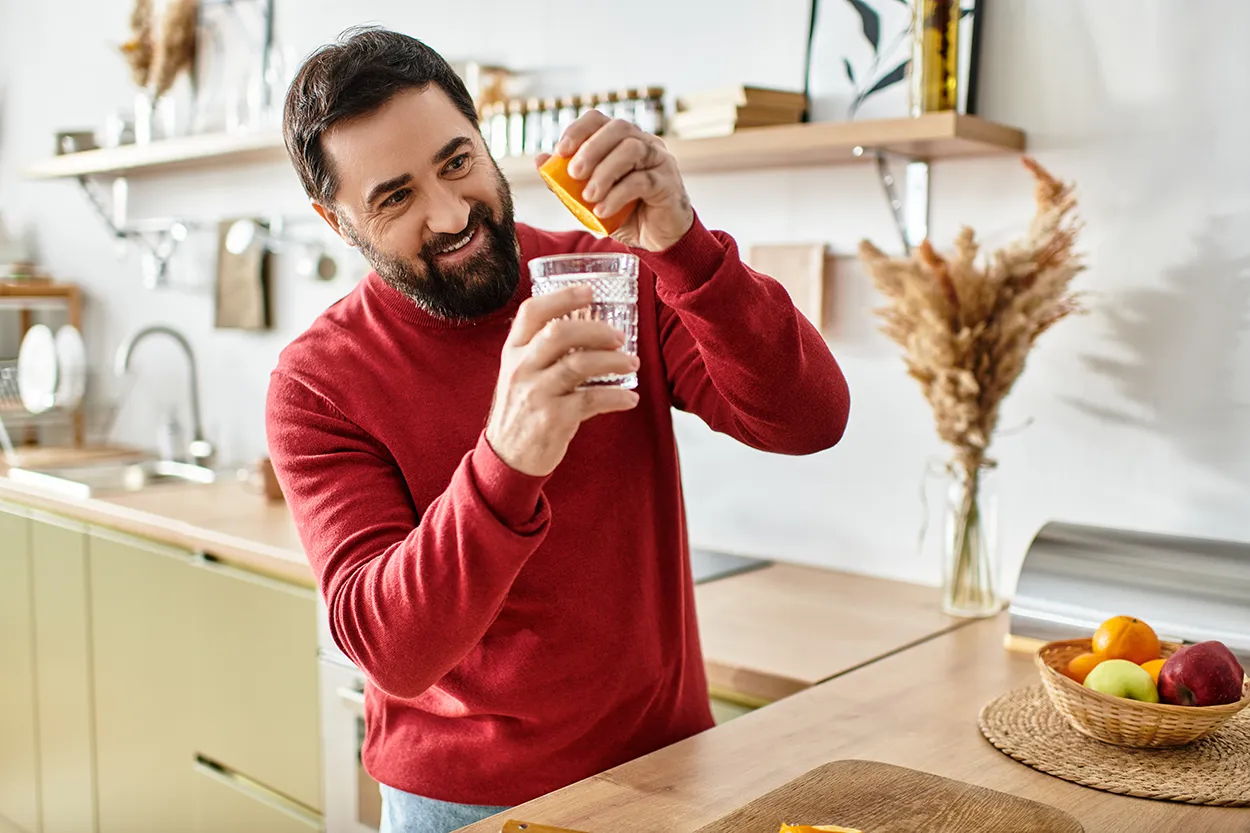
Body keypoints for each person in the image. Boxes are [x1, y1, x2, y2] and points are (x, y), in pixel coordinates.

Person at [266, 25, 851, 833]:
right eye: (395, 197)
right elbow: (390, 649)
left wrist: (684, 246)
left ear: (483, 140)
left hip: (669, 770)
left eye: (457, 162)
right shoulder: (318, 382)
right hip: (463, 805)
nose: (449, 213)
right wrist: (507, 458)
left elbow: (808, 418)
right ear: (339, 223)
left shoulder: (610, 274)